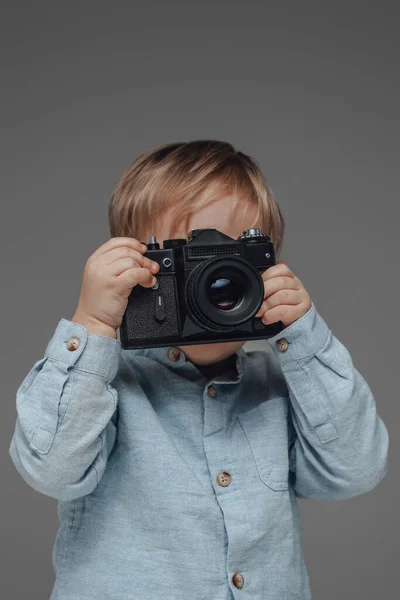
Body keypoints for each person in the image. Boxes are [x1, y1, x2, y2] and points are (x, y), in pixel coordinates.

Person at [8, 140, 389, 600]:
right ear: (134, 266)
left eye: (232, 261)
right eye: (186, 262)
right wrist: (92, 324)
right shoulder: (103, 386)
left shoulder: (282, 385)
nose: (213, 285)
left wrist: (306, 337)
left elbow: (355, 471)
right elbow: (52, 471)